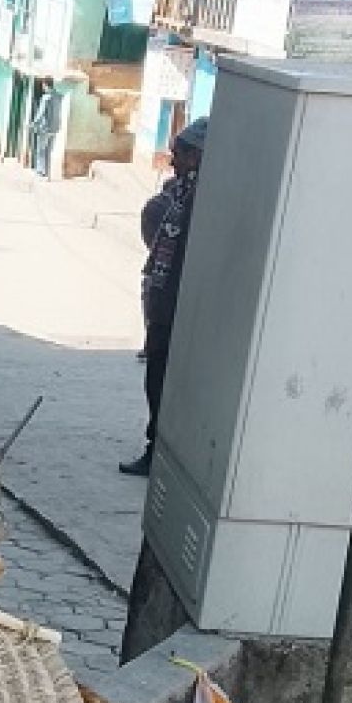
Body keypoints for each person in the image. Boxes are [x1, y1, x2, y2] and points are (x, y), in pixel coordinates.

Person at [121, 116, 207, 477]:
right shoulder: (180, 190)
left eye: (181, 154)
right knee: (156, 380)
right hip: (163, 308)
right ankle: (154, 448)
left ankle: (169, 454)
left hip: (187, 312)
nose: (174, 161)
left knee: (177, 388)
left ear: (199, 156)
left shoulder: (210, 200)